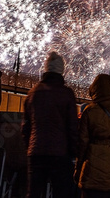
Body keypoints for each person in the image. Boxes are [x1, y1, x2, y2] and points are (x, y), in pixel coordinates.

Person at [22, 51, 78, 198]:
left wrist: (30, 147)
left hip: (36, 153)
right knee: (61, 193)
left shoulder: (32, 93)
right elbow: (73, 127)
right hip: (60, 154)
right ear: (62, 71)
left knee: (33, 193)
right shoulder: (66, 93)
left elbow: (26, 127)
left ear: (46, 69)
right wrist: (73, 152)